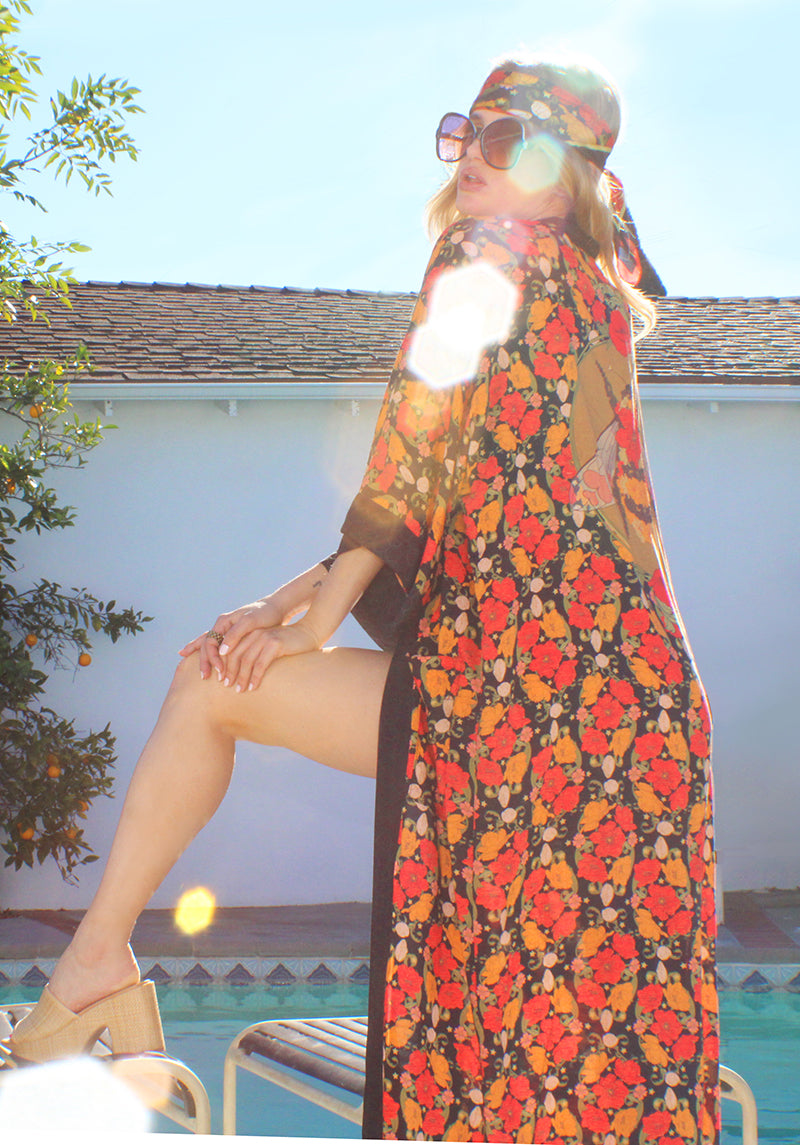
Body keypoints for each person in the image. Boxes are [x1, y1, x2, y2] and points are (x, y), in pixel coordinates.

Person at [7, 58, 719, 1144]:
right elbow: (453, 506)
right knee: (580, 1063)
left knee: (517, 1052)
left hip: (542, 707)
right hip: (615, 713)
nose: (468, 156)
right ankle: (96, 967)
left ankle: (96, 968)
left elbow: (409, 455)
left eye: (501, 139)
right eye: (462, 133)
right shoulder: (585, 289)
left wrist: (312, 615)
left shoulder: (485, 254)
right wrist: (291, 602)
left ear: (562, 167)